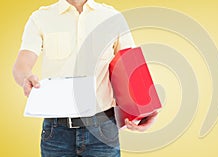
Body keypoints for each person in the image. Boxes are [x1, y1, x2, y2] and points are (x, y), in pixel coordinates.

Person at [12, 0, 157, 156]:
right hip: (56, 132)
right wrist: (26, 77)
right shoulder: (41, 17)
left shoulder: (112, 17)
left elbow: (132, 67)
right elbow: (22, 64)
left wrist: (146, 110)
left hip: (103, 129)